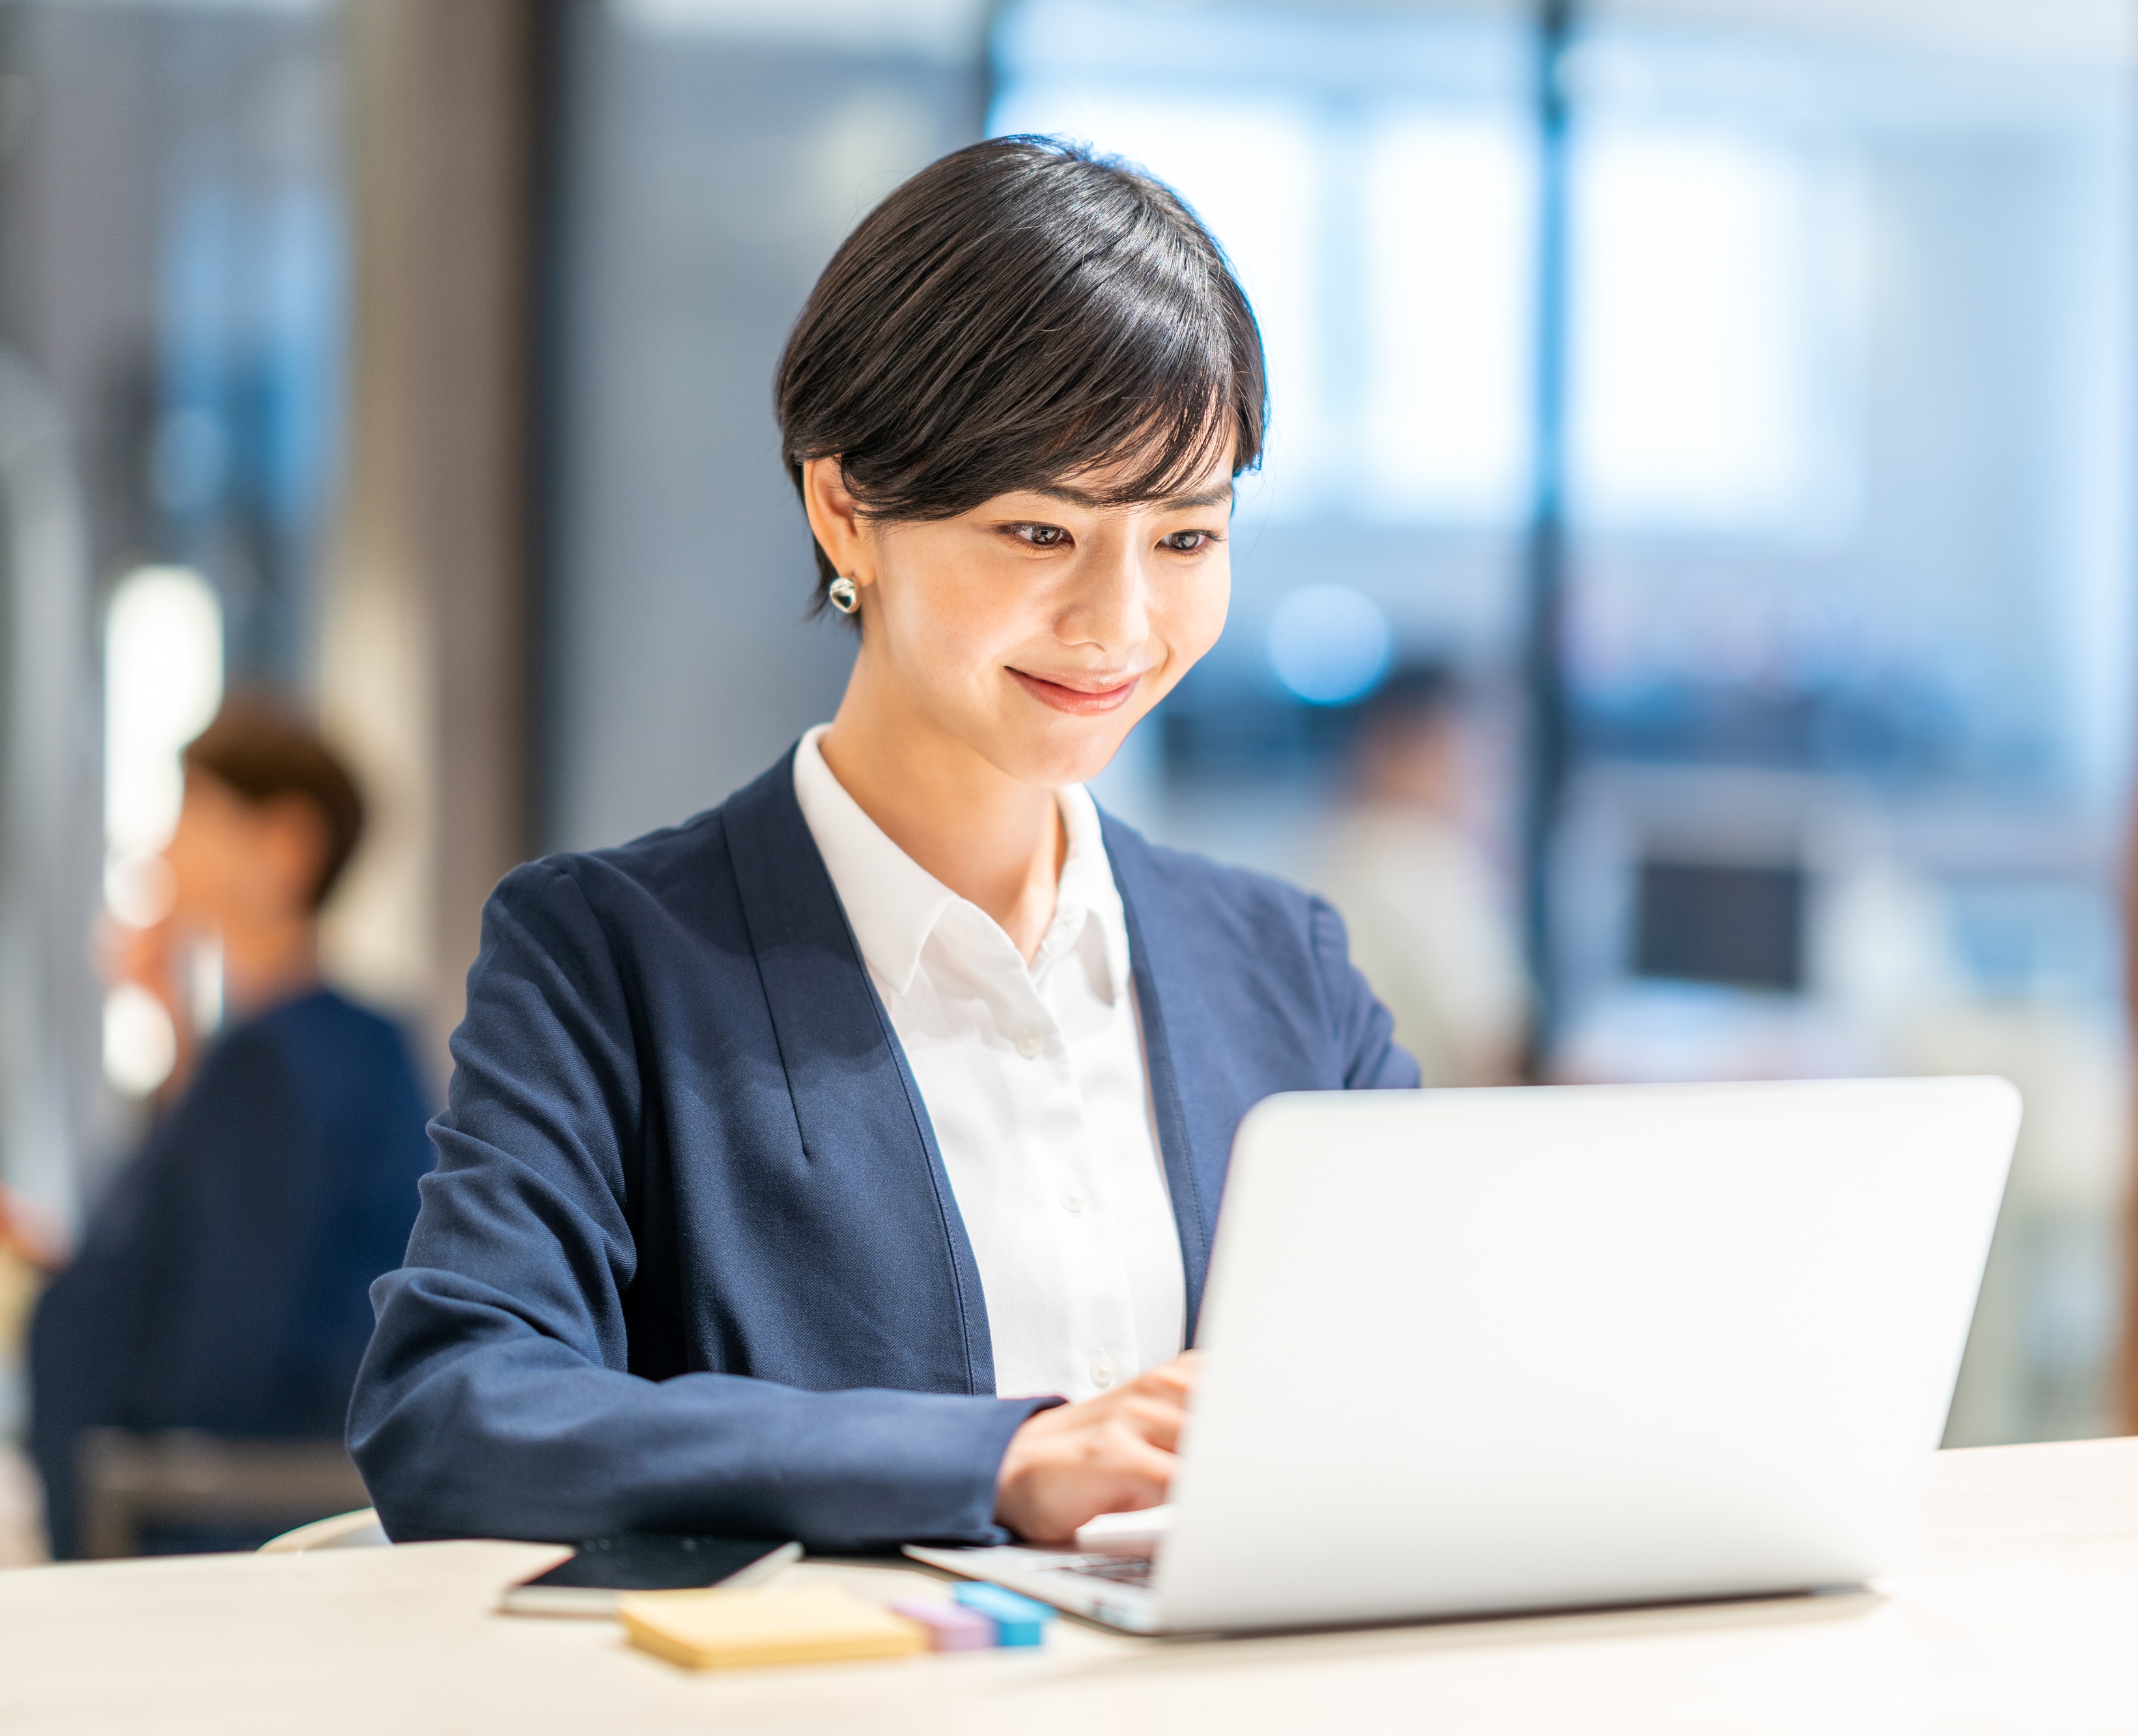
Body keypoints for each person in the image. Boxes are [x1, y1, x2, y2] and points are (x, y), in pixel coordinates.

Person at [348, 137, 1417, 1553]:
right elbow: (455, 1414)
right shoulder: (607, 958)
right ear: (843, 502)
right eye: (1039, 532)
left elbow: (1443, 1389)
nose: (1118, 626)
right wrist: (996, 1461)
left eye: (1183, 539)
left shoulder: (1286, 970)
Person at [29, 694, 431, 1558]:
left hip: (230, 1514)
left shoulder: (272, 1063)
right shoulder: (353, 1041)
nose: (166, 849)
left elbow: (219, 1351)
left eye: (194, 815)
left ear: (284, 843)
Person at [1313, 667, 1531, 1087]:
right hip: (1435, 1125)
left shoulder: (1336, 847)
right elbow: (1495, 1041)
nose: (1485, 777)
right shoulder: (1422, 856)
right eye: (1473, 751)